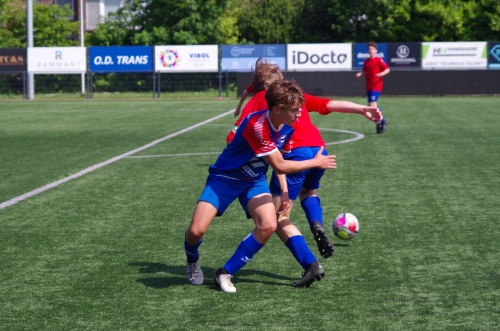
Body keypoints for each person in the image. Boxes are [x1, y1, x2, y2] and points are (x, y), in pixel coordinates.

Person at [184, 80, 337, 293]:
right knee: (196, 231)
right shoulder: (257, 125)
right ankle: (192, 261)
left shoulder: (287, 128)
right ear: (277, 108)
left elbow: (280, 160)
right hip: (225, 178)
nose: (299, 114)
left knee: (269, 225)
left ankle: (225, 273)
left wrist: (283, 191)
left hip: (253, 181)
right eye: (294, 110)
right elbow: (280, 164)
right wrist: (316, 162)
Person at [229, 66, 383, 263]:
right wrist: (363, 109)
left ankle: (310, 264)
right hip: (319, 149)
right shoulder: (295, 96)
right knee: (308, 191)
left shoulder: (263, 99)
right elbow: (329, 104)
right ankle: (316, 223)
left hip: (295, 153)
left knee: (279, 217)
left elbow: (235, 135)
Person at [356, 41, 390, 134]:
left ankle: (381, 122)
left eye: (372, 49)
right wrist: (360, 73)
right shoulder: (367, 61)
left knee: (372, 105)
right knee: (372, 106)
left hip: (376, 86)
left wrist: (381, 74)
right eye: (369, 49)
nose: (371, 51)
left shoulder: (379, 60)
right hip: (369, 86)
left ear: (376, 50)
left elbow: (387, 69)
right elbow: (364, 70)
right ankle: (381, 122)